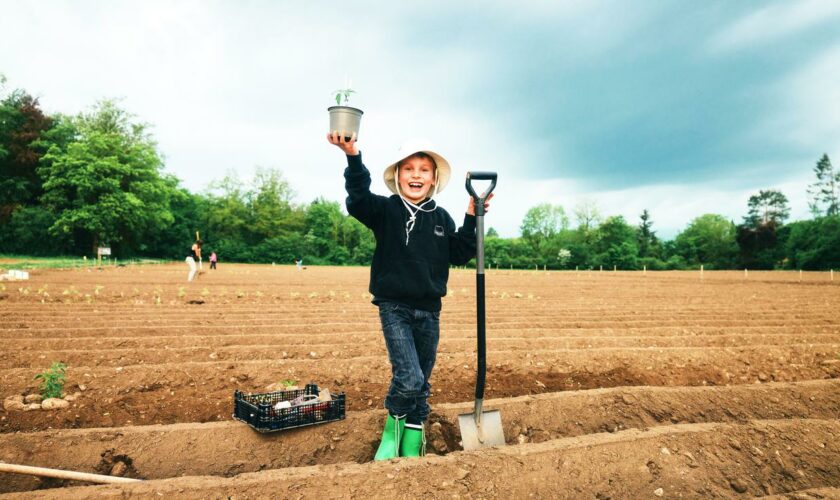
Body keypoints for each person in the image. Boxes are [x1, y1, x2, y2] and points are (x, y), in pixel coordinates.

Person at [327, 131, 492, 460]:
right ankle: (392, 430)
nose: (416, 175)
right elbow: (358, 199)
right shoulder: (385, 211)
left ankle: (412, 438)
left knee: (422, 382)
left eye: (424, 170)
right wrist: (352, 155)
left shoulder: (440, 218)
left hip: (430, 312)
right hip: (395, 308)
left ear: (433, 180)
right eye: (408, 169)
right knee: (410, 378)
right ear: (398, 176)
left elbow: (460, 252)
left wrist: (473, 214)